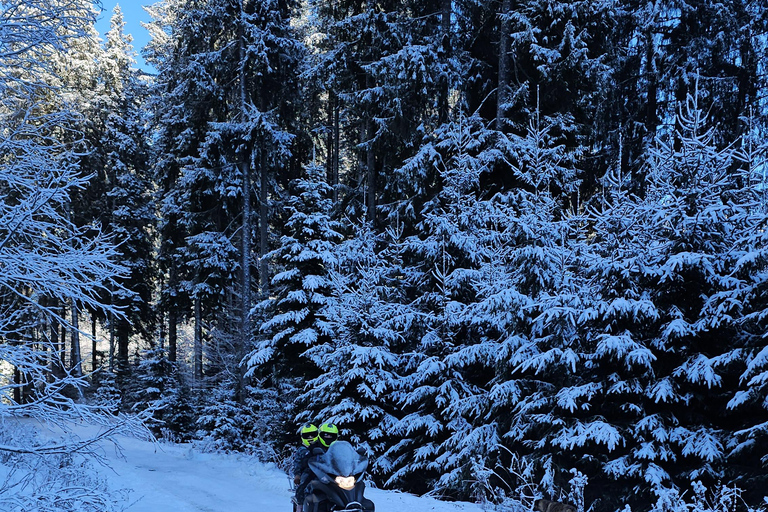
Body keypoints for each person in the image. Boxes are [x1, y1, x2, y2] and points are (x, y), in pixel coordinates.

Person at [292, 423, 339, 511]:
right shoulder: (313, 446)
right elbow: (300, 462)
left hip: (333, 472)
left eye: (331, 435)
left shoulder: (337, 447)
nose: (328, 437)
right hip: (314, 471)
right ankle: (300, 505)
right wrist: (298, 474)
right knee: (304, 485)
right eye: (326, 435)